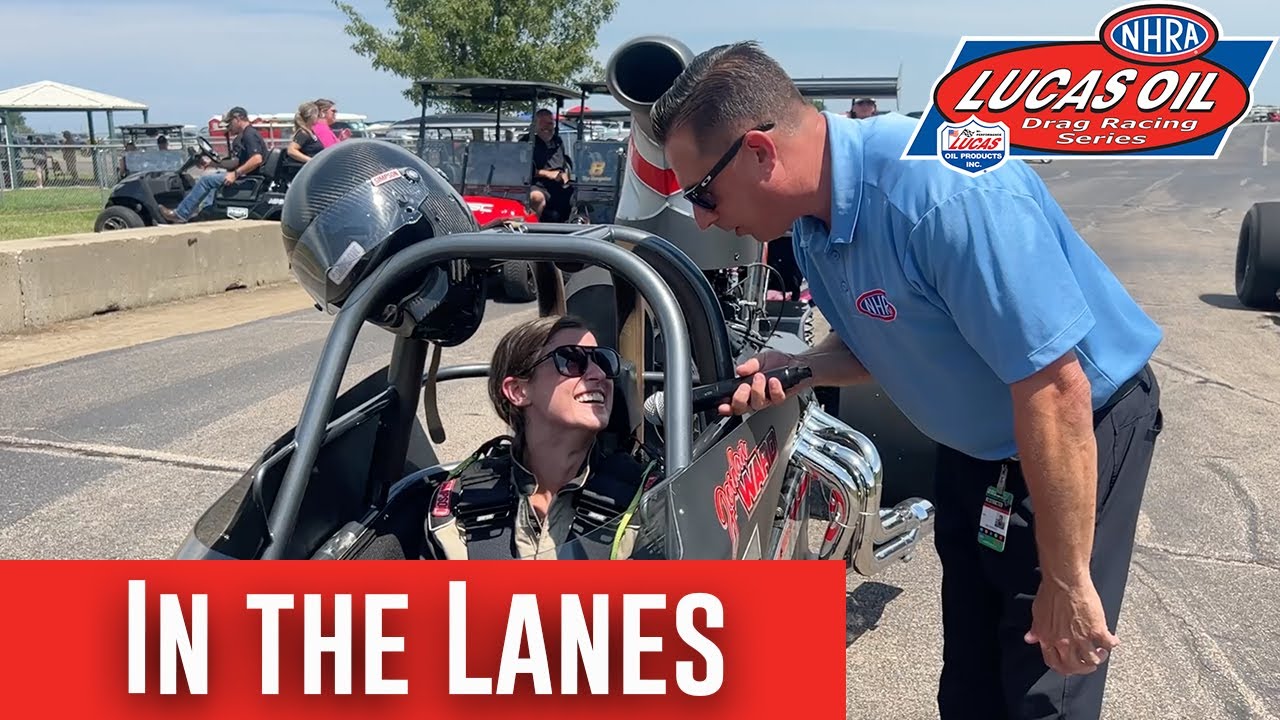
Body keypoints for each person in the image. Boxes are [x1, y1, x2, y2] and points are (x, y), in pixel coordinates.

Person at [649, 41, 1165, 719]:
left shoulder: (944, 192)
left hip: (1071, 432)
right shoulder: (811, 226)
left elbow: (1053, 387)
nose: (703, 218)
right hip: (981, 450)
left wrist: (1068, 579)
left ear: (759, 153)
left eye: (701, 193)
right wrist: (800, 369)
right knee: (970, 685)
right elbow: (878, 338)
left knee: (1047, 685)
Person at [420, 314, 661, 561]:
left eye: (602, 361)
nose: (599, 374)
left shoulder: (649, 503)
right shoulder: (456, 508)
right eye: (571, 360)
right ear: (518, 391)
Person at [159, 106, 265, 223]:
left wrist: (235, 174)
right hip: (248, 178)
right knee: (214, 177)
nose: (229, 127)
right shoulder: (247, 134)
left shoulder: (249, 134)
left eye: (230, 123)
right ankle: (206, 213)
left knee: (206, 181)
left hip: (249, 180)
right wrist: (212, 164)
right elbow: (237, 162)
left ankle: (180, 213)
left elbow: (257, 159)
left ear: (237, 119)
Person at [521, 108, 573, 220]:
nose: (548, 127)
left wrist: (565, 175)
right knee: (536, 197)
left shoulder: (557, 141)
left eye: (550, 124)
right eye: (544, 123)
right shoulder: (527, 142)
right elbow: (521, 169)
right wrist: (547, 174)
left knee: (581, 196)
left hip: (558, 184)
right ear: (536, 124)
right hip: (535, 184)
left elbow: (563, 163)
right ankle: (531, 225)